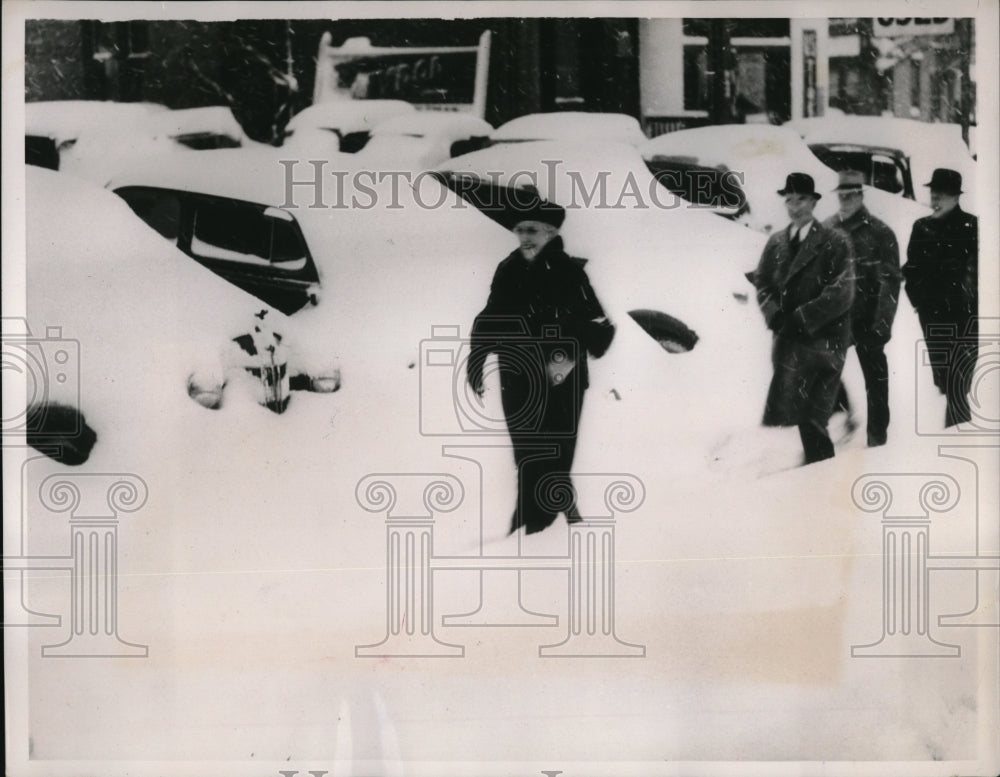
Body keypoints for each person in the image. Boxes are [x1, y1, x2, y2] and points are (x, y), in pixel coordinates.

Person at [466, 196, 615, 534]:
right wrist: (476, 361)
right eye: (519, 230)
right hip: (517, 376)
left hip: (561, 377)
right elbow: (490, 317)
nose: (525, 238)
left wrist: (568, 329)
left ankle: (538, 527)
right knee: (527, 456)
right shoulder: (508, 268)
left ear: (550, 231)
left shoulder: (570, 271)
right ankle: (538, 523)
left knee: (553, 456)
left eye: (532, 230)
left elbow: (601, 329)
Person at [753, 172, 855, 464]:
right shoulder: (776, 243)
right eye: (789, 200)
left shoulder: (835, 240)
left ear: (813, 201)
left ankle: (820, 472)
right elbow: (762, 282)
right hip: (789, 343)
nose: (794, 206)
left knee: (814, 415)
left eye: (801, 200)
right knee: (803, 415)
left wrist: (801, 317)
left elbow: (842, 290)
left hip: (824, 341)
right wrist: (773, 314)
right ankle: (818, 468)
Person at [824, 170, 901, 446]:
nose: (844, 200)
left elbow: (891, 282)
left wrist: (883, 323)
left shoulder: (880, 232)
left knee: (876, 380)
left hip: (868, 318)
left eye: (850, 195)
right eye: (841, 195)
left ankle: (877, 435)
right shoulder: (828, 228)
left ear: (860, 195)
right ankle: (842, 413)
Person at [902, 168, 979, 427]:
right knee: (947, 382)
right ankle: (957, 433)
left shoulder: (972, 226)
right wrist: (920, 303)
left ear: (956, 197)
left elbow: (980, 271)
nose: (935, 199)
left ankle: (956, 436)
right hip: (932, 317)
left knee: (959, 382)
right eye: (933, 193)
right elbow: (911, 269)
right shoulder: (921, 227)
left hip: (965, 318)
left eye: (941, 195)